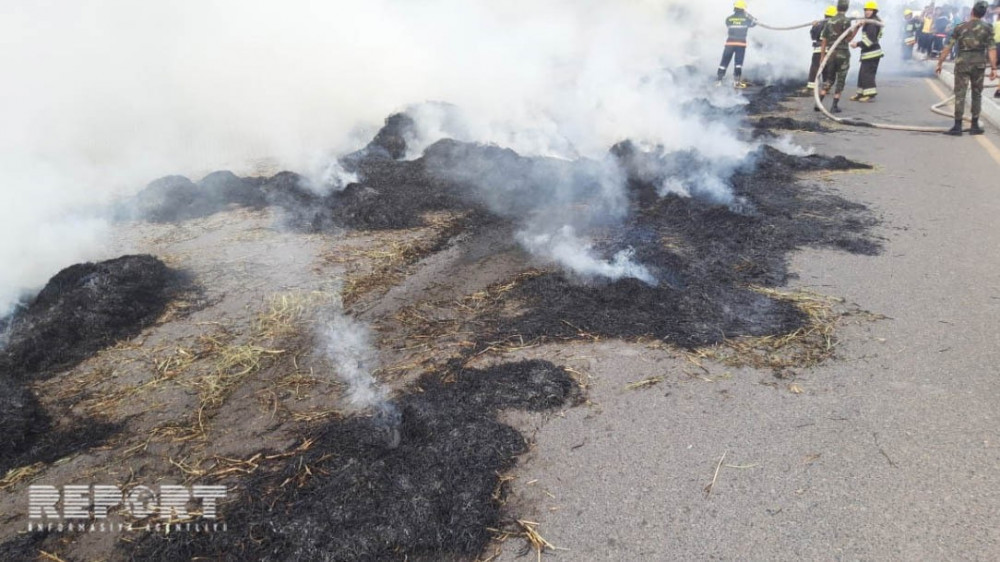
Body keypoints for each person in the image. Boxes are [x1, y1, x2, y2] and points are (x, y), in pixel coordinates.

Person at [935, 0, 997, 135]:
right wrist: (993, 69)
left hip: (962, 64)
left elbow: (948, 46)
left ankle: (957, 126)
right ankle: (975, 125)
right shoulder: (988, 27)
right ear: (984, 14)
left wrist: (940, 63)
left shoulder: (960, 27)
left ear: (972, 11)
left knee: (960, 94)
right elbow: (991, 49)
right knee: (977, 94)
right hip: (979, 64)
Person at [818, 0, 858, 113]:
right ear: (847, 8)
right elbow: (848, 39)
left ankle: (819, 103)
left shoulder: (830, 21)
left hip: (830, 54)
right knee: (840, 79)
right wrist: (857, 28)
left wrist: (822, 56)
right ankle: (834, 105)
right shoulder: (846, 21)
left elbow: (824, 40)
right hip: (842, 54)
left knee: (829, 79)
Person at [716, 0, 758, 88]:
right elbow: (755, 23)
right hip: (740, 44)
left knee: (724, 62)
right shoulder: (746, 19)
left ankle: (719, 81)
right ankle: (736, 83)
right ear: (743, 9)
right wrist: (748, 15)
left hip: (729, 43)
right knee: (738, 63)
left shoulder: (729, 18)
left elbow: (728, 25)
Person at [850, 1, 884, 101]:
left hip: (872, 53)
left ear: (874, 11)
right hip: (867, 53)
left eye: (870, 10)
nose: (867, 12)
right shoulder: (869, 21)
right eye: (866, 10)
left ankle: (870, 94)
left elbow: (869, 41)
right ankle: (860, 93)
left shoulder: (872, 24)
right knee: (862, 74)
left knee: (868, 74)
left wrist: (857, 44)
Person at [808, 7, 839, 91]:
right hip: (831, 50)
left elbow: (813, 36)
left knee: (815, 67)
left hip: (819, 49)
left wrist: (814, 27)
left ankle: (811, 87)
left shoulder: (820, 25)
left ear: (825, 15)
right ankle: (826, 87)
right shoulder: (836, 26)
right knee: (827, 69)